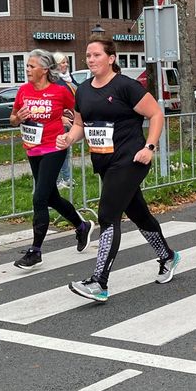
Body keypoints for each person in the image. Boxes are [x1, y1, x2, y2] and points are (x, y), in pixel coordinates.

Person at [63, 37, 180, 302]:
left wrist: (149, 147)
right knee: (138, 212)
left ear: (111, 58)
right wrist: (69, 138)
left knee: (107, 215)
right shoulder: (82, 90)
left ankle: (99, 282)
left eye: (96, 55)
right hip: (104, 161)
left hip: (131, 159)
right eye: (88, 55)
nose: (91, 60)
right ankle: (168, 256)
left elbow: (156, 114)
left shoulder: (126, 87)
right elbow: (80, 124)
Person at [10, 49, 93, 270]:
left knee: (39, 198)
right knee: (51, 197)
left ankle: (35, 251)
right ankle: (81, 226)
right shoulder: (24, 91)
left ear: (45, 69)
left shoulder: (59, 91)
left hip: (54, 147)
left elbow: (79, 110)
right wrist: (18, 118)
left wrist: (71, 129)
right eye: (26, 66)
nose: (27, 69)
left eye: (31, 66)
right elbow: (12, 117)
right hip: (32, 149)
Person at [52, 52, 77, 190]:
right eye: (62, 62)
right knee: (57, 152)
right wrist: (60, 117)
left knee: (64, 151)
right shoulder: (53, 80)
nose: (66, 65)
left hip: (70, 120)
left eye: (66, 62)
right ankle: (57, 180)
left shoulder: (69, 78)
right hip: (58, 122)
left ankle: (66, 178)